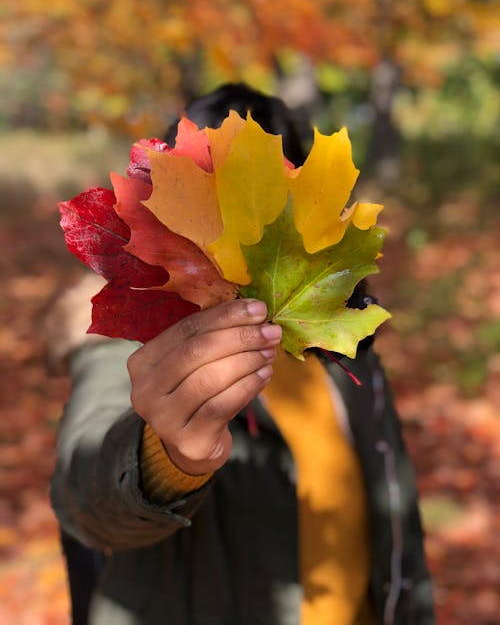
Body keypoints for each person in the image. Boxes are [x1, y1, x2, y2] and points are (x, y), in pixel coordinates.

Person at [50, 83, 435, 625]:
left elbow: (397, 526)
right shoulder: (137, 349)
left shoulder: (346, 354)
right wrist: (169, 457)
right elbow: (86, 495)